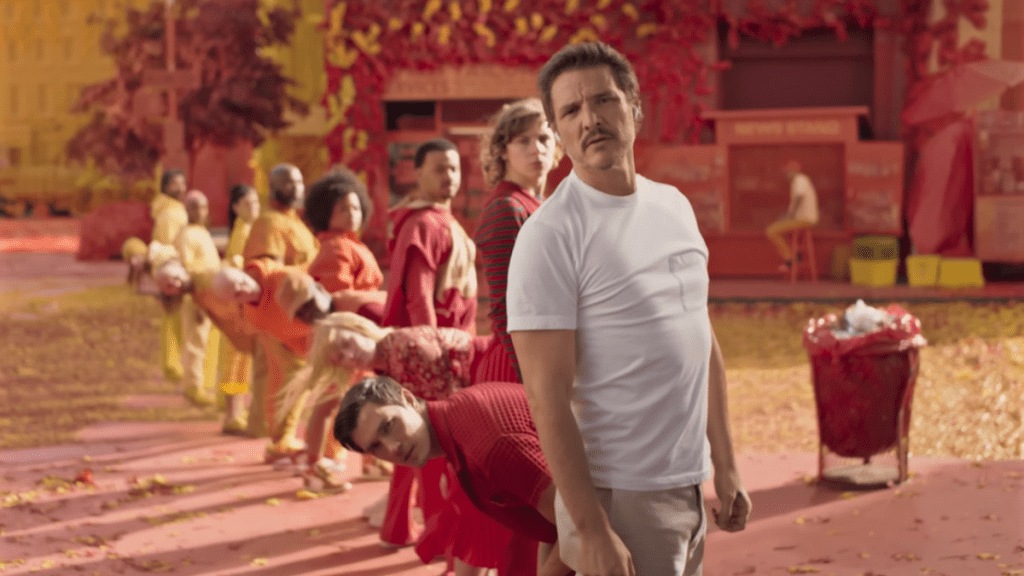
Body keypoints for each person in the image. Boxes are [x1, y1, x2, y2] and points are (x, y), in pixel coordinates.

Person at [506, 42, 752, 576]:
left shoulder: (674, 206)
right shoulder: (549, 236)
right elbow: (546, 398)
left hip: (686, 481)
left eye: (603, 100)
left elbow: (700, 340)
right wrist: (592, 529)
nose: (590, 119)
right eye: (571, 111)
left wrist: (725, 464)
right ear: (558, 132)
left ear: (634, 109)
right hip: (619, 493)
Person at [334, 377, 572, 576]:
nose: (392, 447)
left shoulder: (487, 445)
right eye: (375, 447)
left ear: (407, 398)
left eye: (388, 425)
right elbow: (554, 527)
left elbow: (578, 522)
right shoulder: (457, 422)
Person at [379, 138, 478, 551]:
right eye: (438, 168)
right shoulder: (423, 223)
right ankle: (439, 535)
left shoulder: (440, 220)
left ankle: (397, 528)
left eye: (453, 168)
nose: (448, 176)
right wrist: (432, 353)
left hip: (446, 345)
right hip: (434, 351)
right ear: (416, 173)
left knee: (412, 442)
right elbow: (419, 295)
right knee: (434, 446)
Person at [300, 169, 387, 484]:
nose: (352, 213)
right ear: (326, 213)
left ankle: (368, 460)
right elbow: (338, 298)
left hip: (360, 334)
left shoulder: (351, 245)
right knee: (330, 403)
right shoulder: (335, 248)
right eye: (342, 208)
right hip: (343, 338)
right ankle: (315, 465)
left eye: (355, 207)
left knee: (365, 400)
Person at [475, 98, 559, 384]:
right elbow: (505, 305)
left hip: (549, 357)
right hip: (516, 367)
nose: (537, 149)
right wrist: (532, 379)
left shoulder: (543, 205)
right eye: (523, 140)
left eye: (544, 138)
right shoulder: (506, 208)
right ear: (503, 151)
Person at [241, 163, 318, 438]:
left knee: (269, 372)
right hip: (278, 311)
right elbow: (270, 272)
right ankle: (276, 435)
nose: (296, 188)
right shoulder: (269, 223)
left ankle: (262, 427)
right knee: (286, 372)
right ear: (273, 188)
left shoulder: (295, 222)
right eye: (288, 182)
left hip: (297, 310)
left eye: (299, 182)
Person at [173, 190, 222, 408]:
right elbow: (188, 269)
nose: (200, 211)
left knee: (203, 341)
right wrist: (200, 299)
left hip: (210, 294)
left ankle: (200, 384)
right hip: (196, 296)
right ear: (187, 210)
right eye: (195, 207)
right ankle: (193, 387)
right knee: (195, 341)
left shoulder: (202, 233)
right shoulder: (186, 235)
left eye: (203, 207)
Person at [219, 184, 261, 433]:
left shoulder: (248, 230)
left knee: (242, 361)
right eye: (247, 203)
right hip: (238, 305)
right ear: (236, 207)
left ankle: (237, 411)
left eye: (256, 202)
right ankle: (231, 414)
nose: (253, 208)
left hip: (244, 304)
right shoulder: (242, 232)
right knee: (235, 360)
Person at [152, 168, 189, 382]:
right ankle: (171, 365)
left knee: (175, 318)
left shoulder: (174, 209)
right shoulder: (170, 214)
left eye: (183, 183)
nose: (181, 188)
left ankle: (174, 363)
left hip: (175, 269)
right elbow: (167, 245)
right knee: (173, 317)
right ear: (166, 187)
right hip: (172, 269)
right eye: (176, 184)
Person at [765, 160, 820, 273]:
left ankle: (790, 260)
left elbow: (799, 197)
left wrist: (790, 215)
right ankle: (797, 256)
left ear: (794, 171)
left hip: (804, 218)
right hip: (802, 218)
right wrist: (786, 216)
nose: (786, 175)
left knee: (771, 231)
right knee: (780, 228)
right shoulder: (800, 180)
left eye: (788, 172)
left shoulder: (799, 180)